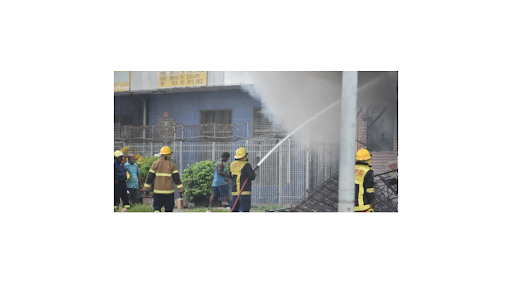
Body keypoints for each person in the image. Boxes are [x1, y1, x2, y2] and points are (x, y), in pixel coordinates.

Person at [143, 146, 185, 212]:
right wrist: (181, 190)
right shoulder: (172, 165)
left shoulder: (155, 163)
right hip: (169, 193)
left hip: (158, 192)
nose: (171, 156)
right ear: (167, 155)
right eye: (170, 154)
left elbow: (150, 177)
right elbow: (177, 179)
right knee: (169, 209)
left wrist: (146, 189)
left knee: (157, 208)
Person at [230, 147, 256, 212]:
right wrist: (253, 174)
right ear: (244, 156)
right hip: (244, 192)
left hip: (234, 192)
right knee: (244, 210)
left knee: (234, 210)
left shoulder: (232, 164)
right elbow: (251, 177)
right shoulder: (246, 165)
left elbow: (231, 176)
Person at [354, 148, 375, 212]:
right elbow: (369, 189)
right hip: (363, 206)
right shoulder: (368, 171)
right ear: (368, 159)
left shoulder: (350, 169)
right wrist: (372, 201)